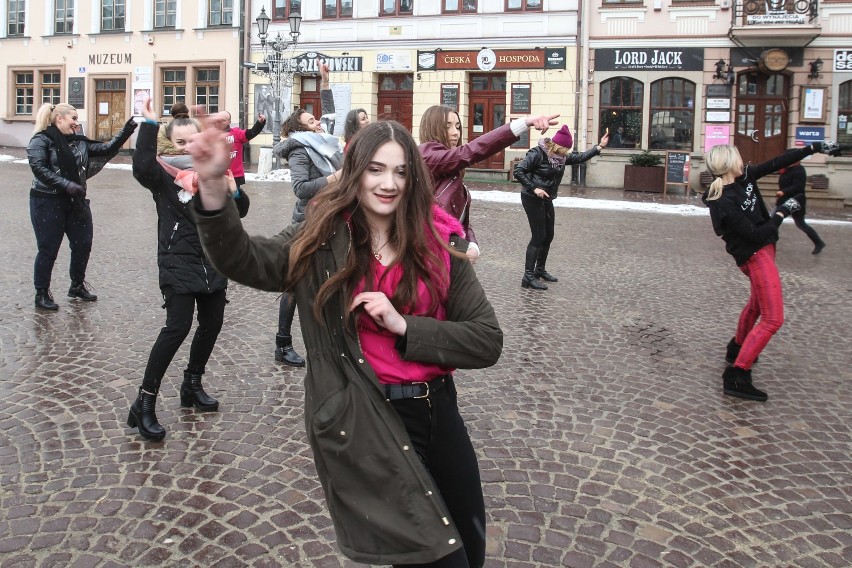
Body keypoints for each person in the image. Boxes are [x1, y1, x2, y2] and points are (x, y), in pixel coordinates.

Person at [189, 117, 503, 568]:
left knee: (470, 553)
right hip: (370, 418)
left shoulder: (435, 240)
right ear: (355, 172)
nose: (388, 183)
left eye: (400, 172)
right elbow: (244, 259)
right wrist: (215, 185)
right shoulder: (321, 239)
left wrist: (406, 326)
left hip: (440, 415)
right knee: (435, 560)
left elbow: (486, 339)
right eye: (376, 169)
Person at [125, 97, 250, 441]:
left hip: (213, 261)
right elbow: (141, 166)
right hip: (177, 261)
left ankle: (191, 385)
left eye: (190, 140)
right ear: (169, 145)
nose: (186, 147)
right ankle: (144, 402)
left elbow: (241, 211)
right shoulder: (163, 175)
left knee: (212, 324)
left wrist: (234, 192)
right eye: (179, 142)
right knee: (176, 328)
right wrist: (149, 124)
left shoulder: (213, 171)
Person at [701, 141, 838, 402]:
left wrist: (814, 147)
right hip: (755, 256)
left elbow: (779, 162)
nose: (744, 162)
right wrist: (782, 212)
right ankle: (737, 375)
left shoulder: (747, 177)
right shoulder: (724, 201)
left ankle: (736, 348)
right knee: (773, 319)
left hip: (764, 252)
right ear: (729, 164)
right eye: (739, 158)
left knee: (755, 306)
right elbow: (756, 235)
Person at [27, 102, 137, 310]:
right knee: (48, 249)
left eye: (77, 120)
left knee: (83, 244)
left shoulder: (79, 142)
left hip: (75, 200)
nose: (76, 124)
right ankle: (41, 293)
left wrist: (126, 130)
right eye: (73, 119)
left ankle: (76, 285)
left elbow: (107, 148)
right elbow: (38, 168)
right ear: (59, 118)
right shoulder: (41, 140)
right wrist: (66, 185)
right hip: (47, 201)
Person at [418, 105, 558, 261]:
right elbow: (470, 152)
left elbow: (461, 220)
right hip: (430, 252)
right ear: (431, 128)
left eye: (458, 126)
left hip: (448, 250)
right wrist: (524, 123)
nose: (455, 132)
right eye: (447, 127)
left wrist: (472, 245)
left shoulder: (450, 167)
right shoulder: (426, 155)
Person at [271, 61, 342, 367]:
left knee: (330, 280)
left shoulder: (323, 144)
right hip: (307, 223)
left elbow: (330, 114)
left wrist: (325, 82)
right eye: (312, 122)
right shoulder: (302, 150)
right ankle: (282, 343)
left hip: (330, 220)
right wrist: (335, 179)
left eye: (317, 120)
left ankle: (330, 341)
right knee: (295, 284)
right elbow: (300, 188)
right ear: (302, 130)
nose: (320, 123)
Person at [514, 125, 609, 290]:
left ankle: (539, 270)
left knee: (548, 235)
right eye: (564, 149)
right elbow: (519, 171)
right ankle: (527, 277)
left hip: (547, 198)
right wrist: (534, 188)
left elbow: (579, 157)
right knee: (538, 236)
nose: (566, 154)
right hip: (531, 197)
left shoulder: (561, 157)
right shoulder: (537, 153)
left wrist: (598, 147)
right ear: (557, 146)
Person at [775, 160, 826, 254]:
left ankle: (819, 242)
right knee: (773, 222)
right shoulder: (787, 169)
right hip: (783, 201)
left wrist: (783, 192)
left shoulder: (799, 170)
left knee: (800, 224)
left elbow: (798, 187)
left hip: (795, 201)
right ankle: (767, 243)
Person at [211, 110, 266, 191]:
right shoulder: (210, 135)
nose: (219, 122)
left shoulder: (236, 133)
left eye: (223, 120)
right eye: (217, 120)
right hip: (216, 177)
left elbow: (251, 133)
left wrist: (260, 123)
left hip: (234, 177)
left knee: (234, 202)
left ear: (229, 122)